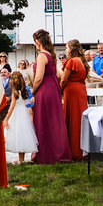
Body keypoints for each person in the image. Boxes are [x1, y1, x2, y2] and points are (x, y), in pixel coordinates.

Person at [30, 29, 72, 164]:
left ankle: (45, 154)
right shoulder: (51, 55)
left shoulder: (42, 55)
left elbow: (38, 78)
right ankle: (58, 151)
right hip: (53, 88)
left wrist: (32, 91)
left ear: (37, 41)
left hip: (45, 90)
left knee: (42, 121)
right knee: (54, 122)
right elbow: (58, 74)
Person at [59, 39, 89, 160]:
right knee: (79, 119)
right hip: (81, 90)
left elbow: (63, 80)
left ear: (71, 49)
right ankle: (81, 149)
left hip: (71, 91)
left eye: (66, 48)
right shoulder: (82, 61)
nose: (65, 50)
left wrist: (59, 91)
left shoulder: (72, 61)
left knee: (72, 119)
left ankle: (73, 150)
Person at [3, 70, 37, 163]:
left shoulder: (15, 93)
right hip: (24, 114)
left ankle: (20, 160)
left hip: (17, 114)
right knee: (23, 135)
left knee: (16, 135)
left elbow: (12, 106)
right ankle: (21, 159)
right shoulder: (24, 91)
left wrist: (6, 119)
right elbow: (26, 102)